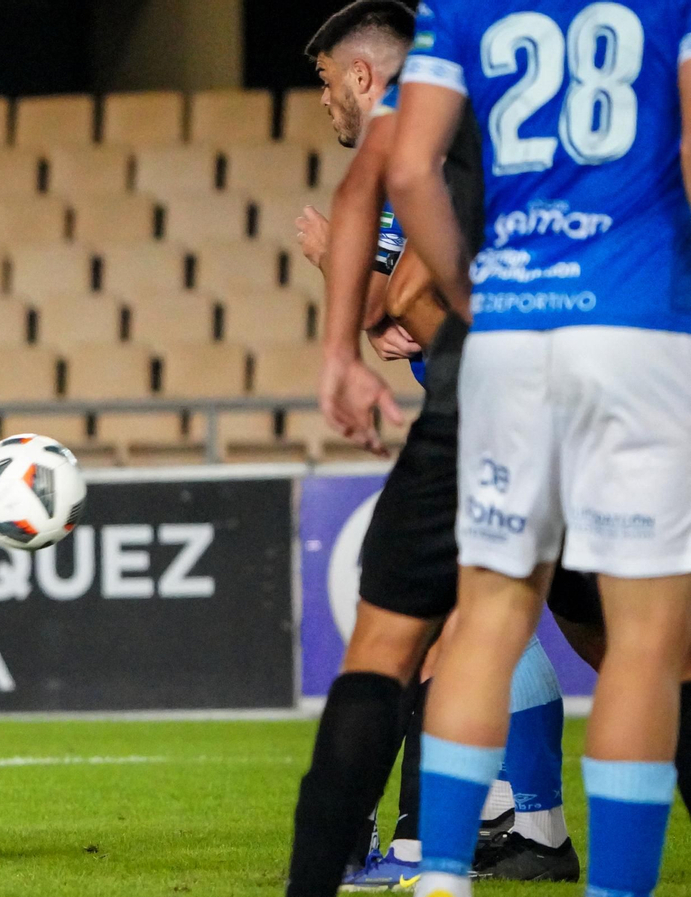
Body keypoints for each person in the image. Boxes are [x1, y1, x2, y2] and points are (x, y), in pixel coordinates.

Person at [384, 0, 691, 893]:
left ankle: (441, 876)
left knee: (486, 614)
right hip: (636, 321)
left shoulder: (461, 7)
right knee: (643, 638)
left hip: (513, 333)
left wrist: (479, 298)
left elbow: (410, 169)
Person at [288, 3, 580, 892]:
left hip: (493, 402)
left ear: (365, 75)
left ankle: (417, 856)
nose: (329, 99)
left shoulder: (439, 95)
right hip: (614, 375)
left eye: (329, 81)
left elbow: (401, 282)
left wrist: (371, 297)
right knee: (629, 643)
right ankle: (527, 823)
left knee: (408, 638)